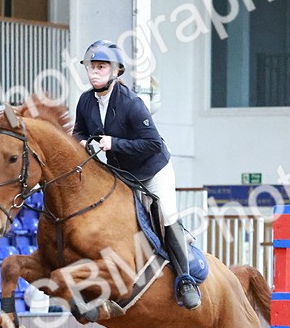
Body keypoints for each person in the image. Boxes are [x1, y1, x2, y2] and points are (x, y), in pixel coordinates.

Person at [72, 39, 201, 310]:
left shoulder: (132, 103)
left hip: (153, 170)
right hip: (122, 173)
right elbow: (79, 131)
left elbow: (152, 143)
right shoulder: (85, 101)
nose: (94, 72)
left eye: (101, 67)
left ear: (116, 71)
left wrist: (114, 143)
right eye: (91, 67)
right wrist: (82, 142)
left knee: (165, 216)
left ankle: (185, 280)